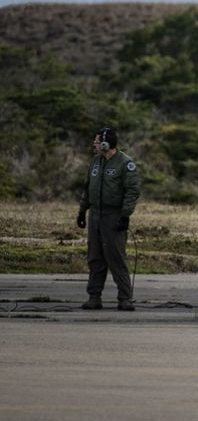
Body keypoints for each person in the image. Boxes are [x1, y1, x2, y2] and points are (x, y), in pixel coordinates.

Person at [76, 127, 140, 311]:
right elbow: (88, 188)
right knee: (95, 257)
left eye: (97, 141)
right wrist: (82, 211)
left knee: (116, 258)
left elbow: (132, 192)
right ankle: (94, 297)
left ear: (106, 143)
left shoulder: (125, 164)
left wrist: (125, 215)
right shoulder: (96, 162)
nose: (94, 144)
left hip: (113, 216)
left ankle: (124, 298)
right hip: (95, 215)